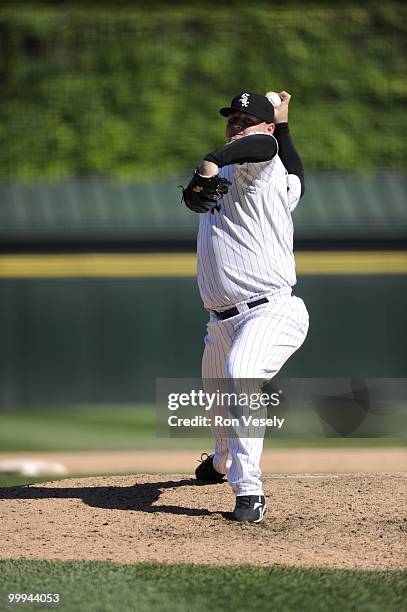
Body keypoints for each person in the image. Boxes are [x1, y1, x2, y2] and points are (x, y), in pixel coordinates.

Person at [183, 91, 309, 522]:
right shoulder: (273, 179)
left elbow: (267, 147)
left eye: (246, 119)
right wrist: (285, 121)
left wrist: (212, 158)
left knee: (242, 374)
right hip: (220, 321)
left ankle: (250, 494)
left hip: (271, 310)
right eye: (231, 119)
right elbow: (298, 177)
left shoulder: (261, 159)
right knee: (218, 400)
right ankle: (220, 462)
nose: (237, 125)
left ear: (265, 128)